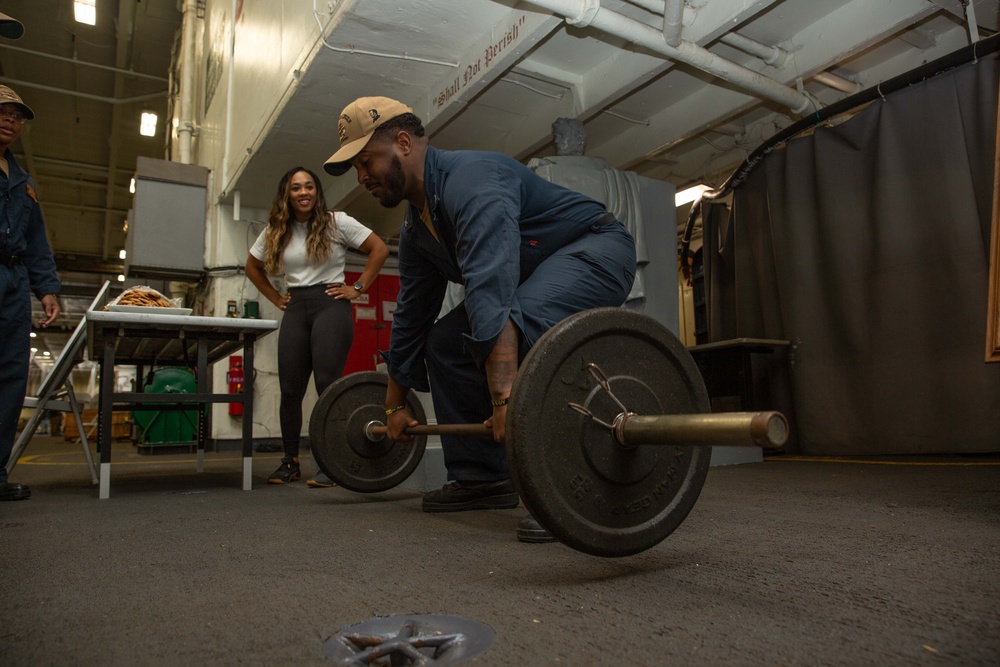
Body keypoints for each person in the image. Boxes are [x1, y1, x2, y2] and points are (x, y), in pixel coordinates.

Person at [323, 97, 636, 542]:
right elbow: (412, 316)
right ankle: (483, 476)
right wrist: (393, 404)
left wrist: (505, 399)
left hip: (596, 250)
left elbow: (492, 290)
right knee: (444, 345)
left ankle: (572, 486)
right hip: (533, 274)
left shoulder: (472, 182)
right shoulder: (416, 230)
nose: (362, 177)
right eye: (355, 167)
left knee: (522, 323)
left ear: (404, 143)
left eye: (366, 161)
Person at [245, 166, 388, 486]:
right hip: (295, 307)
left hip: (331, 306)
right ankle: (289, 462)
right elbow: (251, 266)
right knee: (291, 389)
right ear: (287, 194)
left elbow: (378, 249)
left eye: (309, 186)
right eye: (296, 188)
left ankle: (332, 462)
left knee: (327, 384)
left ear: (317, 192)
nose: (303, 192)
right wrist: (274, 297)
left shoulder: (337, 222)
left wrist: (359, 288)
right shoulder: (275, 229)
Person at [0, 85, 60, 501]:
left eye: (17, 116)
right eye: (3, 112)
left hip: (14, 282)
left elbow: (37, 242)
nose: (10, 120)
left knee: (10, 379)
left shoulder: (23, 182)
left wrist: (47, 290)